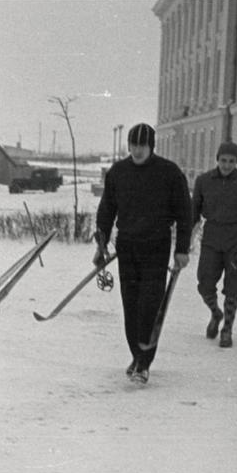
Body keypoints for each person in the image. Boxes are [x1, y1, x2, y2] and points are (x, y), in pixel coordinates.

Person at [93, 123, 192, 384]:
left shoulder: (169, 173)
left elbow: (184, 213)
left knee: (150, 305)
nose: (137, 150)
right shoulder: (118, 172)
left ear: (151, 146)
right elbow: (107, 210)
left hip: (156, 247)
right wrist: (101, 244)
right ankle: (137, 355)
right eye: (133, 145)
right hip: (127, 246)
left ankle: (144, 362)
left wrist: (182, 249)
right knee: (131, 305)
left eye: (142, 145)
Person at [192, 142, 237, 348]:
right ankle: (216, 313)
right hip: (212, 237)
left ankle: (227, 329)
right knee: (204, 282)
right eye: (223, 160)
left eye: (231, 161)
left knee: (232, 286)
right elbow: (193, 213)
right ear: (217, 159)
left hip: (236, 239)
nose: (226, 165)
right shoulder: (203, 181)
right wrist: (186, 237)